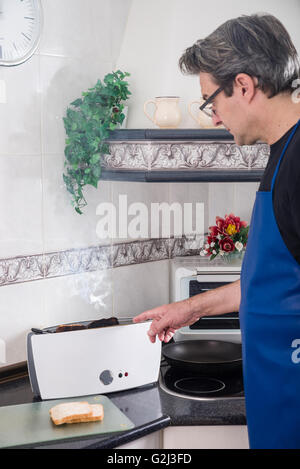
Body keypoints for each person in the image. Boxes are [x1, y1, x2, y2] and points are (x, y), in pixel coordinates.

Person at [134, 13, 300, 449]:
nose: (213, 119)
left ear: (243, 86)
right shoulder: (282, 155)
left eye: (211, 102)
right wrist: (191, 308)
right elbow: (269, 284)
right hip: (277, 406)